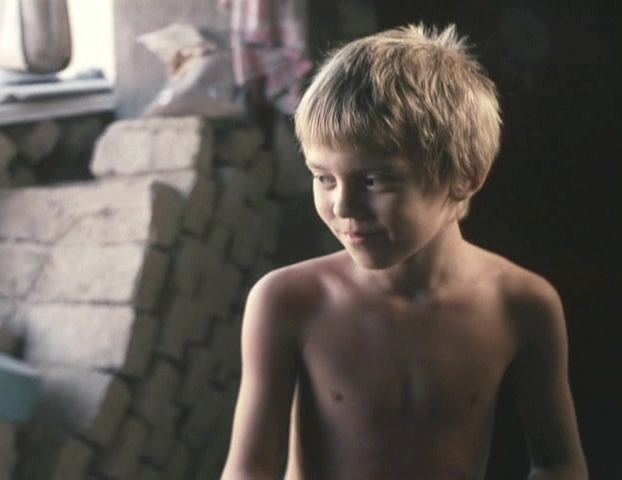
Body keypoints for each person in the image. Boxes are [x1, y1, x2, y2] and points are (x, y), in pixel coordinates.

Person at [220, 23, 588, 480]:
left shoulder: (521, 304)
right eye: (324, 177)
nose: (343, 206)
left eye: (375, 180)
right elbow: (249, 471)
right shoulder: (289, 301)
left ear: (465, 177)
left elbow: (558, 464)